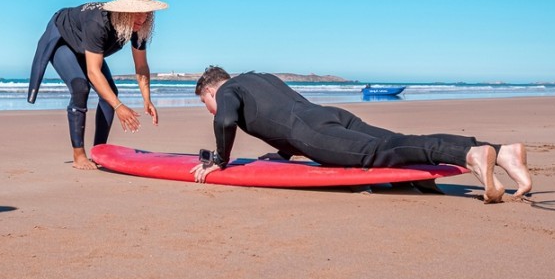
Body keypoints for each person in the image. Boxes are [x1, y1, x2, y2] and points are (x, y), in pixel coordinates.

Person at [189, 67, 533, 203]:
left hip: (313, 132)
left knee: (379, 153)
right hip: (330, 116)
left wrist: (220, 160)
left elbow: (226, 121)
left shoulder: (227, 91)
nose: (210, 107)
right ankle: (502, 153)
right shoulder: (257, 78)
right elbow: (279, 116)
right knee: (396, 141)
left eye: (206, 101)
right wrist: (282, 155)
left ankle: (469, 154)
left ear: (210, 90)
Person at [27, 0, 168, 170]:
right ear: (124, 11)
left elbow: (141, 66)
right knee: (80, 87)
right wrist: (119, 107)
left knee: (110, 92)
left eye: (146, 13)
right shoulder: (98, 23)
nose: (142, 18)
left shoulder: (138, 27)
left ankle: (98, 152)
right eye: (137, 13)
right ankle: (78, 155)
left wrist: (147, 99)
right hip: (64, 39)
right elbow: (93, 72)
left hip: (86, 47)